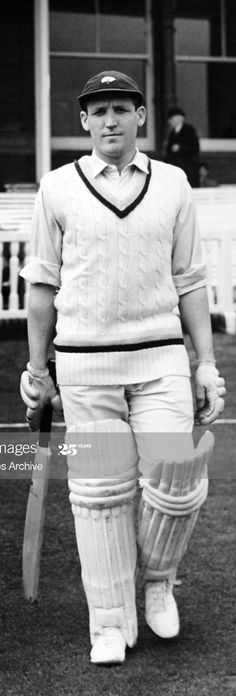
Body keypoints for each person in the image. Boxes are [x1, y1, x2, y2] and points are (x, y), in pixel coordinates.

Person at [20, 70, 225, 666]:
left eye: (121, 108)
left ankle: (158, 581)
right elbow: (41, 284)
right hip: (85, 367)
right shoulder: (56, 188)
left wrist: (205, 364)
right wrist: (39, 372)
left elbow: (190, 280)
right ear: (83, 121)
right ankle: (109, 621)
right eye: (98, 110)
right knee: (100, 493)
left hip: (161, 358)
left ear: (140, 115)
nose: (110, 120)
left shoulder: (174, 183)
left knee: (176, 477)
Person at [164, 106, 200, 187]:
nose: (169, 122)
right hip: (176, 170)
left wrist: (180, 148)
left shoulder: (189, 130)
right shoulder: (172, 133)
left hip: (188, 169)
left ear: (179, 118)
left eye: (171, 119)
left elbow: (195, 149)